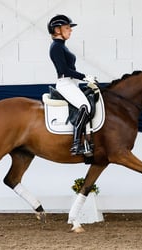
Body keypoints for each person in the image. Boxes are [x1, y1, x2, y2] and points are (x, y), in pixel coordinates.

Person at [47, 14, 97, 156]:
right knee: (85, 106)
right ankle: (76, 144)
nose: (71, 30)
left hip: (71, 83)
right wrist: (85, 77)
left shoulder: (61, 46)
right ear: (57, 30)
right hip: (65, 83)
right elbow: (64, 70)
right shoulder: (56, 47)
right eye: (67, 28)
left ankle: (87, 140)